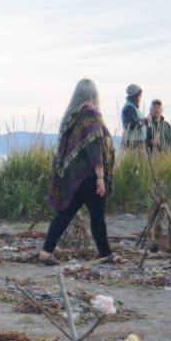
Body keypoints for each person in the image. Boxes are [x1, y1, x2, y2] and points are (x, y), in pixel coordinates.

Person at [38, 78, 115, 265]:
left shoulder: (72, 117)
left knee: (65, 214)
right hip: (89, 176)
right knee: (97, 216)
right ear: (94, 95)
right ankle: (105, 254)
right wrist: (100, 177)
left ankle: (46, 252)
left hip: (74, 178)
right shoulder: (91, 115)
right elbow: (95, 147)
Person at [120, 84, 146, 150]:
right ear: (135, 96)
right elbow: (131, 125)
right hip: (133, 144)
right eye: (139, 95)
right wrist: (144, 121)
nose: (140, 98)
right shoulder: (129, 108)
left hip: (136, 143)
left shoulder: (132, 107)